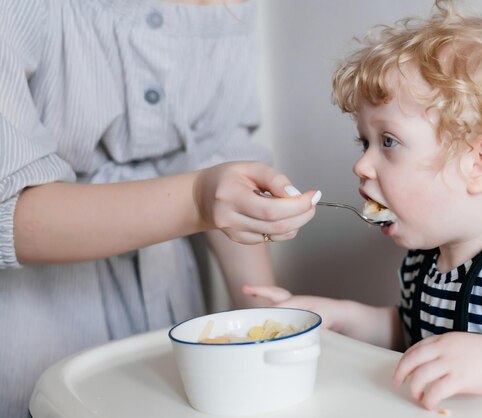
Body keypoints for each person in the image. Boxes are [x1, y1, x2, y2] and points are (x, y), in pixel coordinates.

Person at [243, 0, 482, 410]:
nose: (361, 164)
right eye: (364, 142)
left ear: (480, 165)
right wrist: (337, 317)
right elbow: (412, 333)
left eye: (388, 141)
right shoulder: (424, 263)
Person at [0, 0, 321, 416]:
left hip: (168, 308)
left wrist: (266, 320)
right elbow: (10, 212)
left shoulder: (234, 8)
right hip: (33, 323)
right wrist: (196, 199)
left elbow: (222, 150)